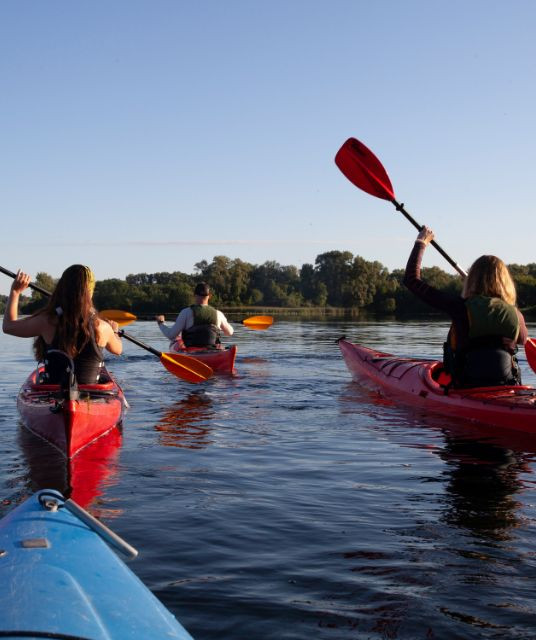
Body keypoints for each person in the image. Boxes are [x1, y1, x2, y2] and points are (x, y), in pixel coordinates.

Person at [403, 226, 528, 388]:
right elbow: (523, 340)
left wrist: (421, 242)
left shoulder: (459, 307)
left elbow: (411, 280)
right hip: (507, 386)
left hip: (466, 387)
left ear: (472, 279)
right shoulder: (516, 314)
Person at [2, 265, 122, 385]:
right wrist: (114, 331)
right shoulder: (102, 327)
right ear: (90, 292)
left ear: (62, 288)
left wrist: (15, 292)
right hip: (92, 396)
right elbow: (118, 350)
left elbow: (8, 327)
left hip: (53, 395)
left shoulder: (47, 321)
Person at [155, 281, 233, 350]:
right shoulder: (218, 314)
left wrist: (161, 323)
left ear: (194, 295)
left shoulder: (186, 312)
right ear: (209, 296)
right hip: (212, 352)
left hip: (192, 353)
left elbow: (171, 335)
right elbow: (229, 333)